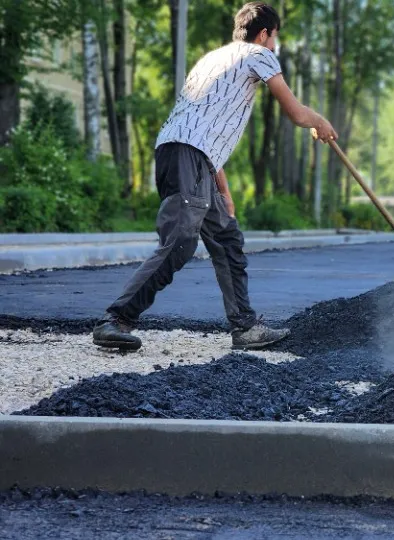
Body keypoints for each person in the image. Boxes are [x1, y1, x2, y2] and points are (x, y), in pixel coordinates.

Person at [92, 2, 338, 351]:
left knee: (227, 239)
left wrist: (223, 191)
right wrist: (321, 123)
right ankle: (115, 320)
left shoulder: (213, 60)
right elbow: (296, 113)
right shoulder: (259, 54)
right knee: (180, 242)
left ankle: (245, 328)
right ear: (265, 33)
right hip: (186, 155)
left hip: (188, 155)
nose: (274, 45)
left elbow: (206, 130)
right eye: (275, 37)